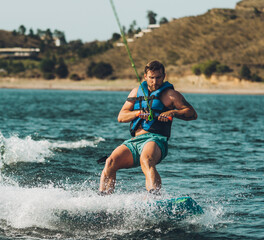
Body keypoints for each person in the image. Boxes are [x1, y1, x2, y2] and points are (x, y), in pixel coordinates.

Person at [99, 60, 197, 195]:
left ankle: (154, 197)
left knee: (147, 160)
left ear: (164, 76)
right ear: (145, 77)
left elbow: (192, 113)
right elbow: (121, 116)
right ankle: (104, 198)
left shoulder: (171, 95)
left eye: (158, 77)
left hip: (156, 139)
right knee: (110, 162)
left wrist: (173, 112)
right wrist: (138, 113)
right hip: (135, 141)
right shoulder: (135, 92)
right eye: (151, 78)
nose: (155, 82)